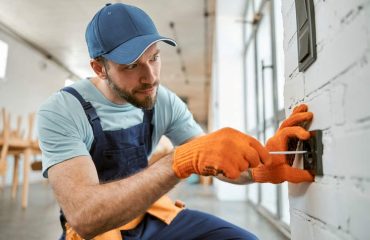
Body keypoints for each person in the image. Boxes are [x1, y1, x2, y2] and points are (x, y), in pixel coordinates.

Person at [37, 3, 313, 240]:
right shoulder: (62, 110)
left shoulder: (161, 100)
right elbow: (85, 217)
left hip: (150, 214)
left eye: (154, 57)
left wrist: (260, 167)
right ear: (99, 68)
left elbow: (212, 159)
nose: (151, 77)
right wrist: (177, 162)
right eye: (131, 66)